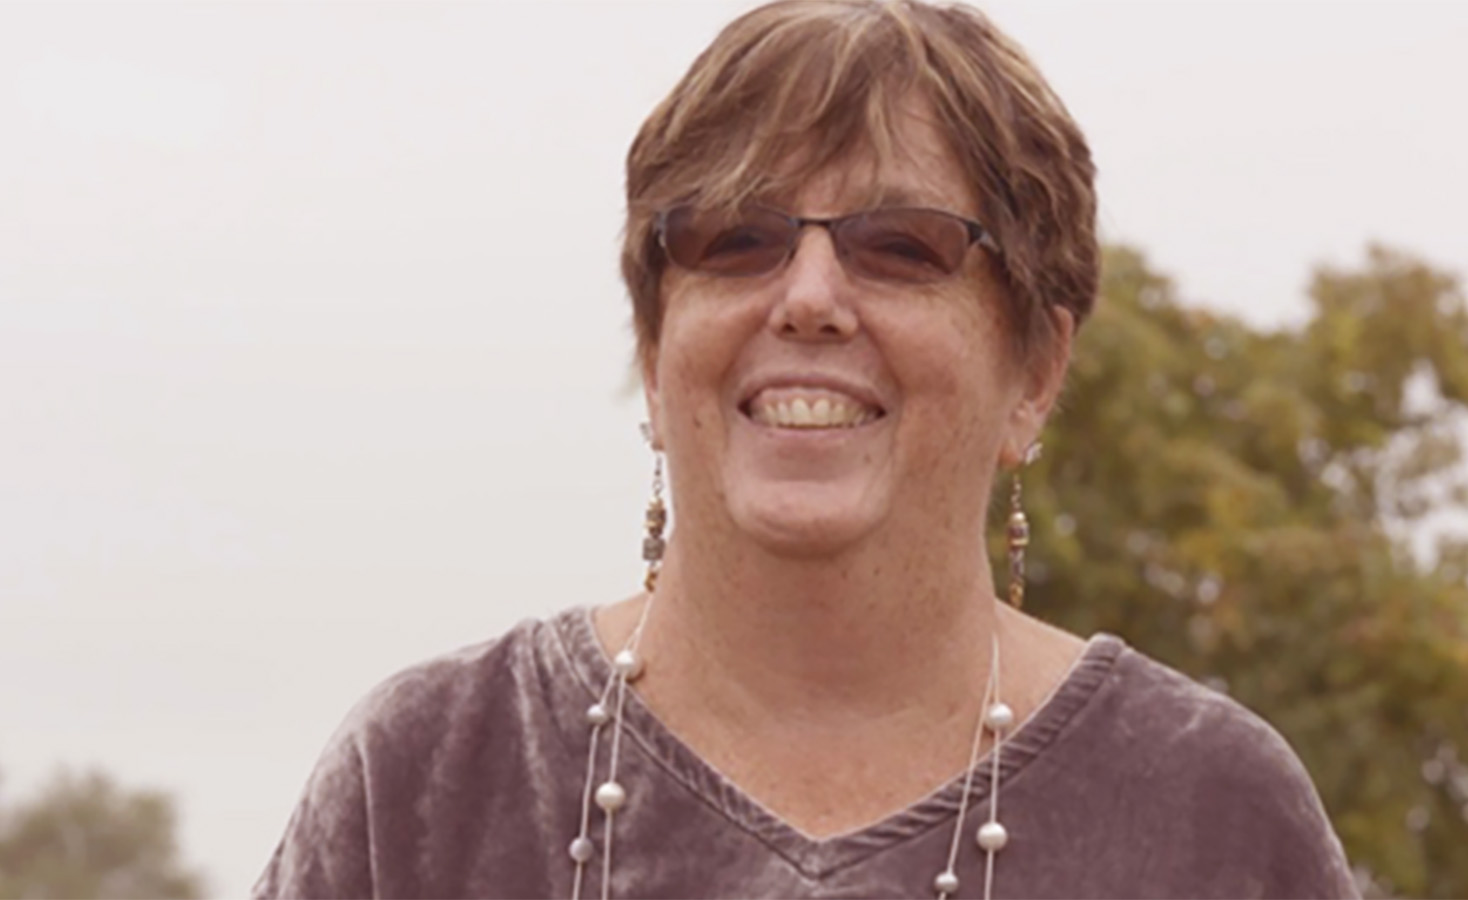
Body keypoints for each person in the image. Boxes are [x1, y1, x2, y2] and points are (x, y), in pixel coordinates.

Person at [254, 1, 1359, 897]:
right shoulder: (428, 781)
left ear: (1034, 369)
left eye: (901, 246)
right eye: (736, 239)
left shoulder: (1208, 810)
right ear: (653, 344)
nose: (810, 298)